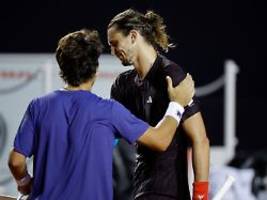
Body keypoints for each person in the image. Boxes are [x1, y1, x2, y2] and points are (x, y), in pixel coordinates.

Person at [8, 29, 195, 200]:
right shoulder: (108, 111)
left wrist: (24, 183)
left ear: (61, 68)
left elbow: (16, 162)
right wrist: (177, 104)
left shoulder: (38, 106)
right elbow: (161, 140)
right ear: (95, 70)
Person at [107, 9, 210, 200]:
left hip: (169, 191)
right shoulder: (122, 85)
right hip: (140, 190)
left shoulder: (172, 76)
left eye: (115, 43)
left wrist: (200, 196)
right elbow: (110, 138)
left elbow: (200, 140)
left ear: (133, 36)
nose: (113, 51)